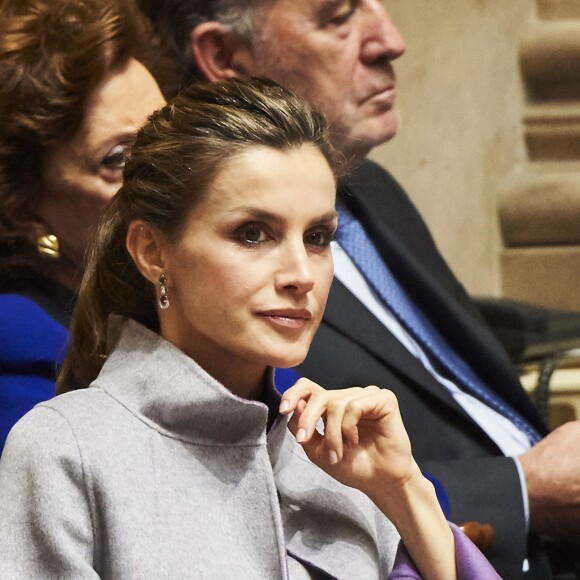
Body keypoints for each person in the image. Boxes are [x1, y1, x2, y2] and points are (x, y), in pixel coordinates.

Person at [134, 1, 580, 578]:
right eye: (336, 16)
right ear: (224, 56)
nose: (390, 40)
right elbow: (276, 491)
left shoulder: (374, 194)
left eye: (320, 236)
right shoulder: (200, 330)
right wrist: (521, 489)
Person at [0, 77, 499, 579]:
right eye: (253, 233)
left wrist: (404, 489)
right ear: (152, 251)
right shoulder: (65, 451)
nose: (301, 275)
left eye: (318, 237)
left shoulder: (340, 456)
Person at [0, 0, 166, 453]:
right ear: (24, 207)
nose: (177, 173)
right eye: (119, 159)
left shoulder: (194, 296)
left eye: (174, 133)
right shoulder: (24, 357)